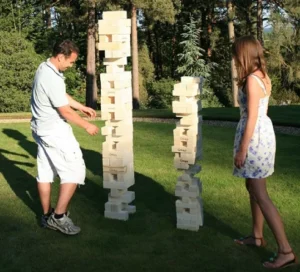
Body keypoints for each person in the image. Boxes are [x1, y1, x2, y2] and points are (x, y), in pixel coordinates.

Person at [232, 36, 297, 269]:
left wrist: (242, 149)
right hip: (263, 135)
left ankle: (286, 251)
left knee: (260, 193)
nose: (234, 58)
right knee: (253, 187)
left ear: (244, 55)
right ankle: (257, 236)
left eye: (236, 54)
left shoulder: (251, 79)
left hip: (255, 138)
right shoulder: (262, 76)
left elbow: (252, 117)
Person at [31, 40, 99, 235]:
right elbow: (64, 110)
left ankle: (46, 216)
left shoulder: (45, 68)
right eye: (70, 62)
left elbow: (61, 96)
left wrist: (81, 106)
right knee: (75, 170)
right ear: (61, 57)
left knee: (45, 171)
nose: (70, 66)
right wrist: (86, 125)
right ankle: (58, 217)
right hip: (54, 131)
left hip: (41, 129)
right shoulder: (51, 77)